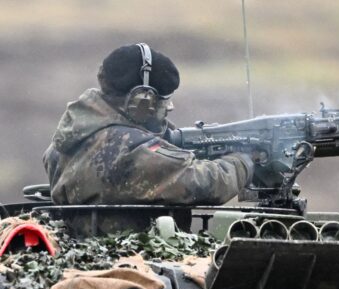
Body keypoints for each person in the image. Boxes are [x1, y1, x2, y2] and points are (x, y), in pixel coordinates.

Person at [43, 43, 254, 206]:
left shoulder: (66, 141)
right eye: (162, 102)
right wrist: (244, 162)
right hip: (133, 257)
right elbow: (204, 183)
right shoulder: (128, 149)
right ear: (141, 101)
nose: (166, 110)